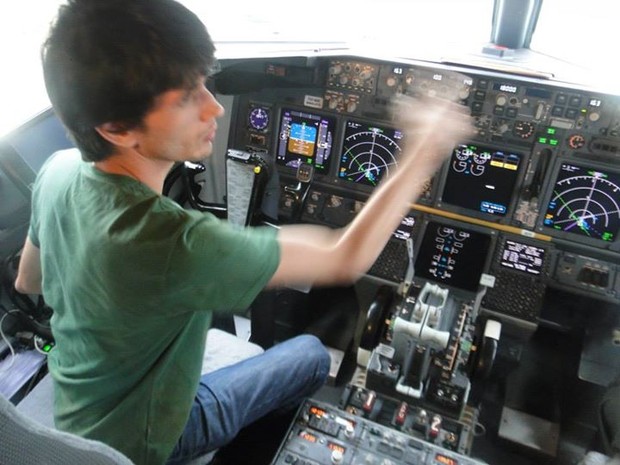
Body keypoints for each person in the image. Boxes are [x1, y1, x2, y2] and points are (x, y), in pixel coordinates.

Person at [13, 0, 473, 464]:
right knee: (312, 354)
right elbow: (344, 256)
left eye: (203, 83)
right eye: (186, 97)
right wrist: (426, 146)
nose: (214, 106)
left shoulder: (58, 170)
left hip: (75, 413)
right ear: (116, 128)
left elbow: (28, 281)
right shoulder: (175, 242)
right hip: (149, 441)